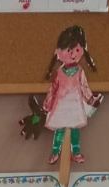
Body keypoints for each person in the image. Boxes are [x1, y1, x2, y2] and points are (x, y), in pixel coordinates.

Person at [41, 23, 102, 165]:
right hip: (61, 105)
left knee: (75, 130)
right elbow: (53, 89)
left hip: (75, 105)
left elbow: (84, 87)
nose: (73, 54)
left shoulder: (80, 71)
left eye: (77, 50)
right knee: (60, 130)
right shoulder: (59, 72)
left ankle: (76, 152)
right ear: (58, 52)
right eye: (69, 50)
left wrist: (91, 99)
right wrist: (47, 104)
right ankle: (55, 151)